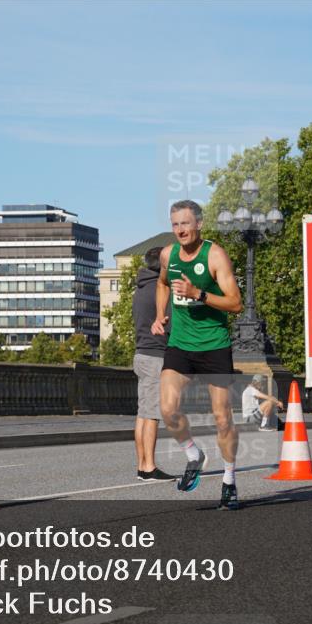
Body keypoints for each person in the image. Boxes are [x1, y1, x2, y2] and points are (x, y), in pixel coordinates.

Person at [151, 199, 243, 510]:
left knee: (222, 418)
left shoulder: (214, 255)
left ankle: (229, 481)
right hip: (180, 343)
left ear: (199, 224)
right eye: (175, 224)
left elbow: (235, 303)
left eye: (186, 223)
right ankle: (194, 454)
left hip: (214, 344)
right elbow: (162, 283)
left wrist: (198, 294)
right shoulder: (168, 254)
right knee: (167, 409)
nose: (180, 230)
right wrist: (159, 315)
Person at [131, 246, 176, 482]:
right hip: (156, 355)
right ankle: (149, 467)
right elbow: (170, 325)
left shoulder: (140, 288)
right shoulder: (160, 290)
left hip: (142, 353)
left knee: (143, 413)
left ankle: (142, 465)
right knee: (152, 414)